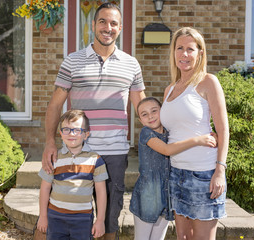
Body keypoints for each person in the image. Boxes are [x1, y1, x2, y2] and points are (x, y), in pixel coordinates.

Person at [42, 3, 146, 239]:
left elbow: (142, 109)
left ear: (120, 28)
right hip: (77, 151)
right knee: (67, 215)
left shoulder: (132, 64)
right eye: (102, 22)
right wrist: (50, 142)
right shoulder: (72, 61)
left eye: (113, 23)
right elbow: (55, 105)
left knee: (109, 220)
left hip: (114, 153)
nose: (107, 28)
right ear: (93, 25)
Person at [160, 27, 229, 240]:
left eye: (190, 49)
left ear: (200, 53)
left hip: (203, 174)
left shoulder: (208, 82)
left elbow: (223, 129)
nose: (184, 54)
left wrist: (220, 170)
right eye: (179, 48)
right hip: (176, 174)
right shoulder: (169, 89)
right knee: (182, 237)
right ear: (173, 52)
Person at [129, 97, 217, 240]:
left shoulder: (170, 133)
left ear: (162, 111)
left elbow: (183, 136)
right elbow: (167, 150)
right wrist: (198, 140)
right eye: (144, 114)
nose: (150, 116)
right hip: (148, 196)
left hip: (167, 195)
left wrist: (209, 136)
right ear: (140, 121)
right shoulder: (146, 133)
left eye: (154, 111)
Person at [37, 109, 108, 239]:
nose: (71, 134)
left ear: (86, 134)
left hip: (83, 219)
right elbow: (45, 188)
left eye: (77, 130)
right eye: (66, 129)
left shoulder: (96, 160)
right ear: (61, 133)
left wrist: (100, 220)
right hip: (55, 217)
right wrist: (43, 216)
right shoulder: (54, 158)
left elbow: (101, 192)